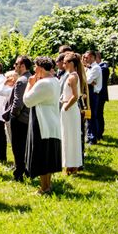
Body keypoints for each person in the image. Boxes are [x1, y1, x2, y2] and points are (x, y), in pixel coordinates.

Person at [23, 57, 63, 194]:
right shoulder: (55, 81)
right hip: (52, 121)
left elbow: (27, 101)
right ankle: (48, 185)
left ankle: (44, 188)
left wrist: (30, 84)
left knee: (42, 156)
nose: (34, 70)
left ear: (40, 68)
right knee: (48, 155)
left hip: (42, 122)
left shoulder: (42, 84)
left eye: (35, 67)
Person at [5, 55, 32, 182]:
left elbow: (18, 102)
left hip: (20, 118)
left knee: (18, 147)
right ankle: (26, 169)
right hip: (29, 118)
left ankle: (18, 173)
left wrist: (13, 115)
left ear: (22, 66)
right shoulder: (32, 78)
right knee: (25, 147)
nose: (14, 66)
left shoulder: (22, 80)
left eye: (16, 64)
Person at [61, 52, 86, 174]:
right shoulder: (72, 75)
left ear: (71, 63)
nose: (63, 65)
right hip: (69, 109)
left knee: (69, 137)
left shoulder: (72, 77)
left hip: (69, 109)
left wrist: (65, 107)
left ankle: (72, 166)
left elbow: (75, 96)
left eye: (65, 62)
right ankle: (70, 165)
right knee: (69, 136)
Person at [95, 51, 109, 141]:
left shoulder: (104, 67)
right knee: (97, 114)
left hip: (101, 95)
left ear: (97, 58)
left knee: (99, 114)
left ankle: (100, 133)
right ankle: (98, 132)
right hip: (98, 94)